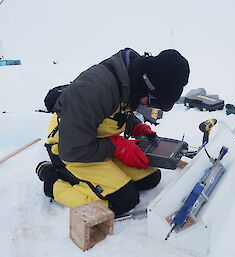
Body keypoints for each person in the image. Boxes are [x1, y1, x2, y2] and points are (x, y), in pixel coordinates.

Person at [35, 48, 190, 215]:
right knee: (124, 200)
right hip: (69, 150)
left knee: (150, 178)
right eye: (152, 101)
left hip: (96, 143)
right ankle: (52, 179)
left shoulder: (131, 79)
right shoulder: (93, 91)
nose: (150, 107)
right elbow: (73, 148)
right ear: (147, 84)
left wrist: (135, 126)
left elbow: (115, 112)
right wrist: (118, 147)